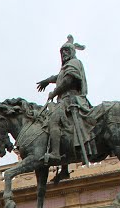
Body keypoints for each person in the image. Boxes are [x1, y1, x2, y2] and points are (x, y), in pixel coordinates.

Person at [36, 35, 93, 181]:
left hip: (71, 99)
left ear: (72, 52)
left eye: (66, 51)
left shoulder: (74, 62)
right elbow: (59, 76)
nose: (64, 54)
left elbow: (68, 80)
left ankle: (55, 153)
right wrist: (47, 81)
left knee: (53, 121)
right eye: (62, 52)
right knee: (60, 129)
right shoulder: (66, 67)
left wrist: (54, 92)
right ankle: (64, 168)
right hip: (65, 99)